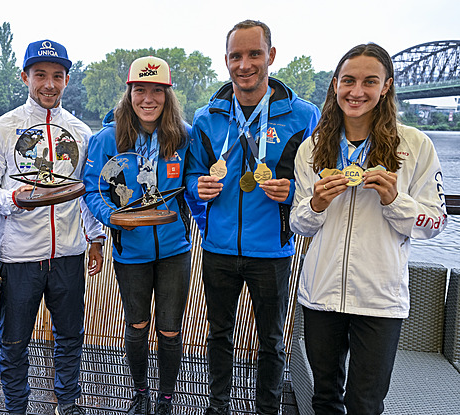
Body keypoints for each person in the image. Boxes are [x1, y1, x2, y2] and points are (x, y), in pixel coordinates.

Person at [290, 43, 447, 415]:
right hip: (321, 293)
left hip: (380, 299)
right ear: (335, 85)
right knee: (324, 397)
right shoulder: (311, 148)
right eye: (348, 80)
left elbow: (436, 222)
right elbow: (298, 223)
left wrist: (396, 200)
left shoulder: (415, 146)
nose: (356, 91)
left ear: (386, 86)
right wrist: (316, 204)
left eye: (369, 81)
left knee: (365, 403)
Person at [185, 20, 320, 415]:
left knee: (273, 341)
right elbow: (192, 174)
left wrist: (291, 191)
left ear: (271, 56)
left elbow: (315, 181)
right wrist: (199, 189)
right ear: (226, 61)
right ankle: (218, 407)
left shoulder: (303, 116)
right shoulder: (207, 117)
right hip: (218, 249)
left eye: (254, 54)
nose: (244, 64)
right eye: (236, 56)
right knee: (219, 336)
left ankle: (267, 408)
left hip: (273, 250)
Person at [0, 39, 106, 415]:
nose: (49, 84)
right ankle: (16, 407)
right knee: (14, 341)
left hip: (68, 253)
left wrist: (96, 238)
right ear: (25, 77)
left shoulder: (83, 133)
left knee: (70, 337)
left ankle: (67, 403)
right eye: (40, 75)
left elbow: (89, 191)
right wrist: (14, 201)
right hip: (19, 256)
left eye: (57, 76)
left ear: (67, 79)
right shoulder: (2, 129)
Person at [82, 56, 196, 415]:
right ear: (129, 93)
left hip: (174, 248)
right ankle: (139, 392)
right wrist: (112, 218)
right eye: (140, 90)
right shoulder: (108, 137)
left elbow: (194, 184)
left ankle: (166, 396)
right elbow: (91, 189)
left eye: (157, 91)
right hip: (130, 249)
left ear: (168, 94)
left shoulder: (184, 135)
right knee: (136, 325)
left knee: (170, 330)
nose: (149, 99)